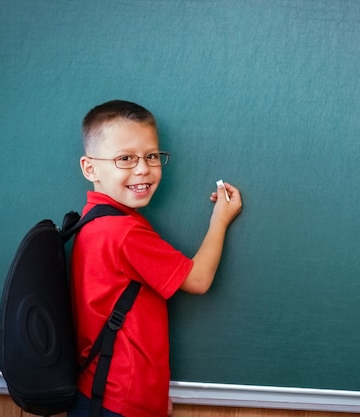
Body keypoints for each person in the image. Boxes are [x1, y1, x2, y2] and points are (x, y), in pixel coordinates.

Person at [67, 100, 242, 417]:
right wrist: (221, 218)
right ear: (90, 167)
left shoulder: (93, 221)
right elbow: (199, 280)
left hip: (100, 393)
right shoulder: (125, 233)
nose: (143, 168)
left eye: (151, 156)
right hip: (119, 402)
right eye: (125, 158)